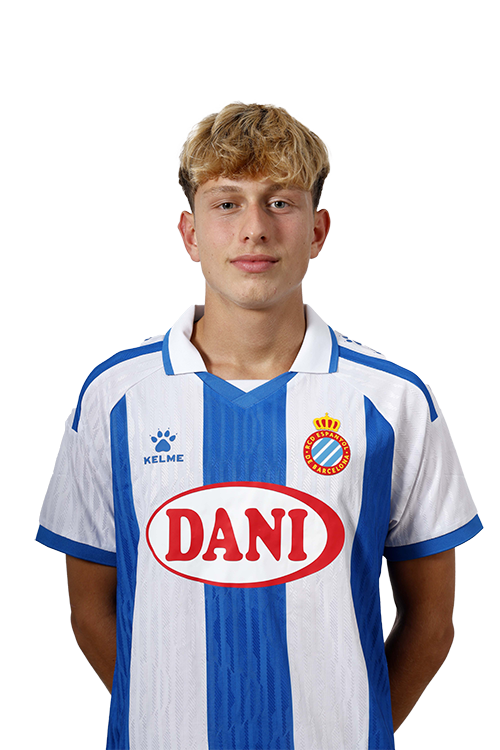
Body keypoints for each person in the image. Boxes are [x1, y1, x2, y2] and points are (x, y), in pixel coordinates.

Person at [35, 101, 482, 750]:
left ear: (318, 230)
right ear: (190, 233)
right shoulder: (114, 397)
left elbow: (432, 625)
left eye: (280, 202)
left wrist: (350, 731)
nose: (255, 229)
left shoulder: (395, 401)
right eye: (227, 203)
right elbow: (89, 610)